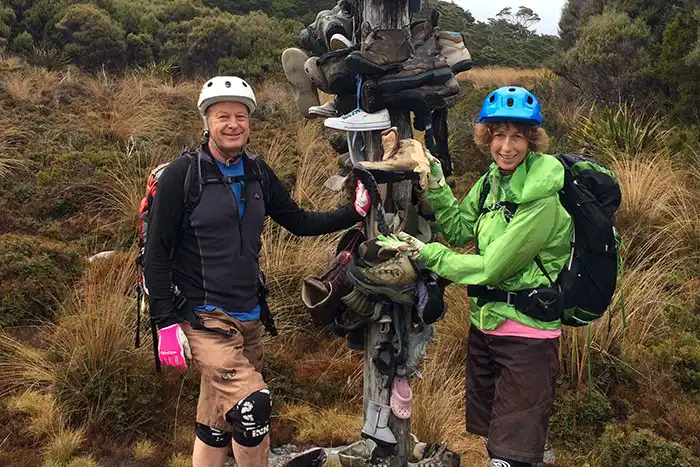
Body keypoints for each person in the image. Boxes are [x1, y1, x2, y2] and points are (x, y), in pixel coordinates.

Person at [143, 76, 371, 467]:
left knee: (215, 425)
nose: (233, 124)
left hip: (249, 315)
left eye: (240, 116)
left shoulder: (257, 172)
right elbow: (156, 254)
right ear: (206, 122)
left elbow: (297, 220)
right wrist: (165, 322)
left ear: (249, 121)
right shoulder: (184, 175)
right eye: (222, 116)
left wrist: (353, 212)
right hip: (203, 318)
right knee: (253, 410)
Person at [377, 86, 572, 467]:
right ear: (487, 136)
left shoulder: (541, 199)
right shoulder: (492, 182)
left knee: (511, 455)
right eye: (498, 134)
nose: (507, 146)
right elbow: (461, 227)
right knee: (494, 441)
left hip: (527, 337)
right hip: (486, 329)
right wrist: (435, 178)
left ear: (532, 140)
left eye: (517, 136)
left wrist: (426, 254)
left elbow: (492, 267)